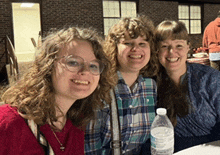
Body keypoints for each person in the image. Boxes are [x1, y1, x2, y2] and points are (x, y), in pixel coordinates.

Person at [0, 27, 116, 155]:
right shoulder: (7, 123)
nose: (86, 71)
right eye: (73, 62)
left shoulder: (75, 123)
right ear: (47, 66)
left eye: (93, 65)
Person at [85, 15, 158, 154]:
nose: (136, 49)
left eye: (142, 44)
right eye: (128, 43)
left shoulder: (150, 86)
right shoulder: (100, 86)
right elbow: (90, 147)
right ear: (114, 47)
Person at [155, 20, 220, 153]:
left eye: (179, 45)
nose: (172, 52)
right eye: (164, 46)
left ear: (188, 47)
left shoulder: (209, 78)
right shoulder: (150, 83)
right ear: (156, 50)